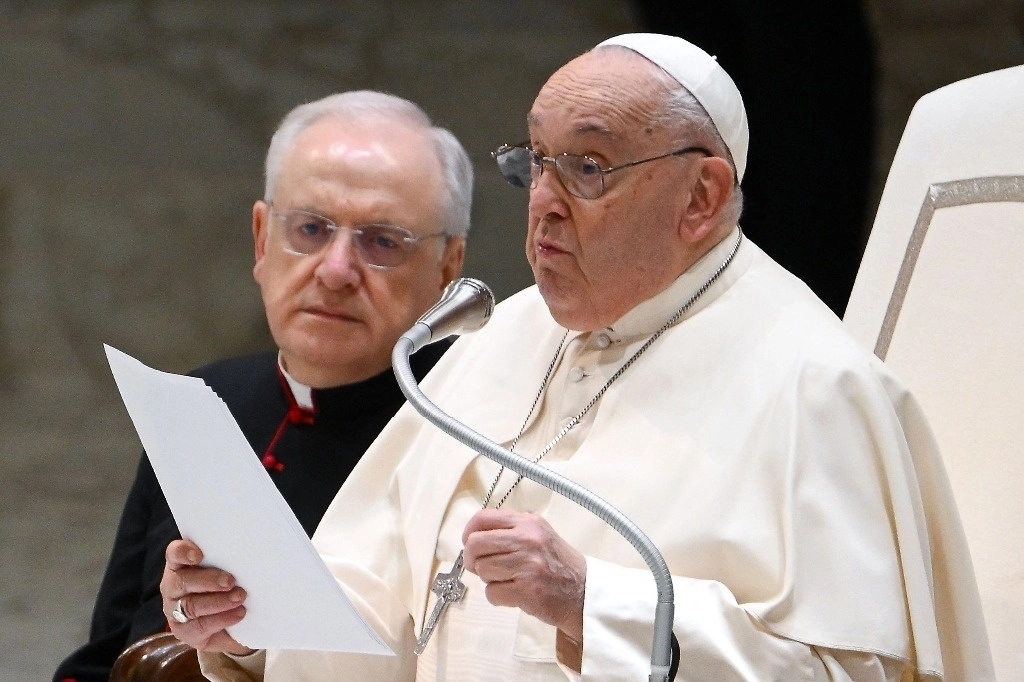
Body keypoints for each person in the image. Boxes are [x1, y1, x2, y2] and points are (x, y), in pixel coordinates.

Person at [162, 34, 995, 681]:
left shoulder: (815, 384)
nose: (545, 206)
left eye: (588, 168)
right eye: (536, 162)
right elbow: (384, 606)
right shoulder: (501, 340)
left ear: (700, 197)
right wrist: (251, 631)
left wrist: (592, 604)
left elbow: (849, 671)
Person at [53, 89, 472, 682]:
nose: (334, 270)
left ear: (448, 268)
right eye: (309, 228)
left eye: (381, 241)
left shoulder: (479, 425)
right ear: (260, 240)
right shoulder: (203, 399)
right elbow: (106, 652)